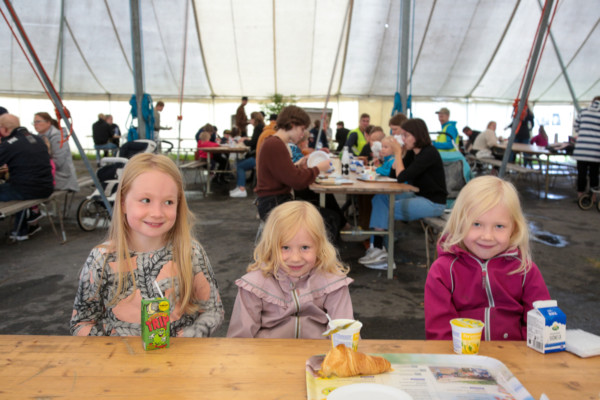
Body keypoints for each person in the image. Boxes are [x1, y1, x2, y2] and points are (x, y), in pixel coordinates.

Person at [70, 153, 224, 337]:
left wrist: (188, 338)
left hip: (181, 354)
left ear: (178, 205)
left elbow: (213, 310)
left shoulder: (190, 253)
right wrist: (113, 349)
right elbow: (82, 322)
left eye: (168, 202)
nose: (157, 213)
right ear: (123, 203)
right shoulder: (101, 259)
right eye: (145, 200)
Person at [424, 176, 551, 340]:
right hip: (459, 355)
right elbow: (439, 334)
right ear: (459, 223)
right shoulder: (442, 271)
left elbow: (541, 326)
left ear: (513, 228)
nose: (487, 236)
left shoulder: (525, 271)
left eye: (499, 226)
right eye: (476, 224)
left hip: (513, 355)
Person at [227, 201, 354, 338]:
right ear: (270, 247)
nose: (295, 258)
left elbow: (344, 332)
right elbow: (240, 339)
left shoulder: (333, 282)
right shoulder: (254, 286)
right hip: (267, 351)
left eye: (305, 247)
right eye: (285, 247)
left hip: (317, 351)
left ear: (319, 247)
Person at [359, 118, 447, 268]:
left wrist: (398, 152)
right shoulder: (414, 153)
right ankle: (377, 248)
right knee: (379, 198)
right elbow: (394, 174)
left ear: (417, 135)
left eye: (406, 135)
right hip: (418, 195)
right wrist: (397, 154)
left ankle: (381, 252)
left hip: (433, 202)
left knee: (387, 209)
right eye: (402, 135)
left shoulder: (429, 153)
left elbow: (402, 177)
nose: (403, 139)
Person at [254, 106, 330, 220]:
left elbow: (282, 174)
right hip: (273, 204)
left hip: (273, 201)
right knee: (327, 218)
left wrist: (298, 166)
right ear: (292, 124)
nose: (302, 134)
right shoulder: (275, 144)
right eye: (302, 129)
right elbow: (297, 181)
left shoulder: (275, 142)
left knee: (326, 212)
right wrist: (318, 168)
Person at [0, 114, 54, 241]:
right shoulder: (37, 139)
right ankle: (21, 230)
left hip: (27, 190)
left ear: (4, 129)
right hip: (46, 187)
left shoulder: (10, 144)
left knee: (12, 187)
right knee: (15, 184)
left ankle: (23, 226)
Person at [33, 112, 79, 192]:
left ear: (48, 123)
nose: (35, 125)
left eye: (38, 122)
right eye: (34, 122)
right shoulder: (39, 137)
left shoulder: (58, 137)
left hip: (62, 178)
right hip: (52, 175)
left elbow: (58, 162)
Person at [230, 112, 265, 198]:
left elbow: (253, 143)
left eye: (251, 119)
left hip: (258, 158)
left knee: (240, 166)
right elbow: (256, 140)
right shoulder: (261, 127)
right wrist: (247, 139)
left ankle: (241, 189)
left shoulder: (258, 128)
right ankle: (239, 186)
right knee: (239, 163)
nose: (250, 121)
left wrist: (244, 141)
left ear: (254, 119)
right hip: (261, 156)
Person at [572, 96, 600, 198]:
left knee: (581, 174)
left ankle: (581, 197)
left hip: (581, 149)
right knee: (594, 174)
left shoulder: (583, 112)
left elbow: (576, 127)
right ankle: (593, 197)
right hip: (596, 150)